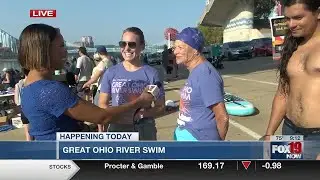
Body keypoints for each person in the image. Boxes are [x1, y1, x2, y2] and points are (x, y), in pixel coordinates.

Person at [18, 23, 154, 140]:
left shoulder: (27, 87)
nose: (65, 52)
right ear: (44, 49)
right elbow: (103, 117)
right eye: (61, 46)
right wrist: (139, 101)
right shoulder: (51, 90)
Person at [263, 0, 320, 160]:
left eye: (298, 17)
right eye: (287, 19)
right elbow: (283, 93)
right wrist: (269, 133)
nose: (291, 24)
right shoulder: (291, 46)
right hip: (290, 130)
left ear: (318, 13)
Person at [99, 27, 165, 140]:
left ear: (142, 46)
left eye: (132, 44)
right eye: (123, 44)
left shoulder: (151, 73)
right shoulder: (110, 72)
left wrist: (143, 114)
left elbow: (160, 107)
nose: (126, 48)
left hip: (144, 130)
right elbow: (102, 104)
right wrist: (118, 118)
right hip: (117, 131)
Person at [173, 27, 229, 141]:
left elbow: (222, 117)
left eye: (180, 47)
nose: (175, 52)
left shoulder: (205, 74)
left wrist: (216, 147)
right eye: (175, 47)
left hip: (200, 140)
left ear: (195, 50)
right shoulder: (195, 71)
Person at [14, 68, 33, 141]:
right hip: (35, 108)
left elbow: (16, 101)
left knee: (27, 132)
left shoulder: (18, 84)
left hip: (24, 108)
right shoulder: (35, 83)